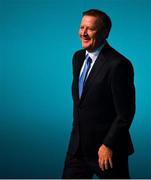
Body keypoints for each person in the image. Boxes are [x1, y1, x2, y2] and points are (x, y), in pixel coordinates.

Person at [62, 9, 135, 179]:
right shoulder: (78, 58)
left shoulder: (118, 65)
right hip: (77, 150)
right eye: (82, 28)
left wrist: (108, 144)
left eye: (90, 29)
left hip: (108, 152)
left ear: (105, 33)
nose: (84, 33)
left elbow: (125, 113)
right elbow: (82, 103)